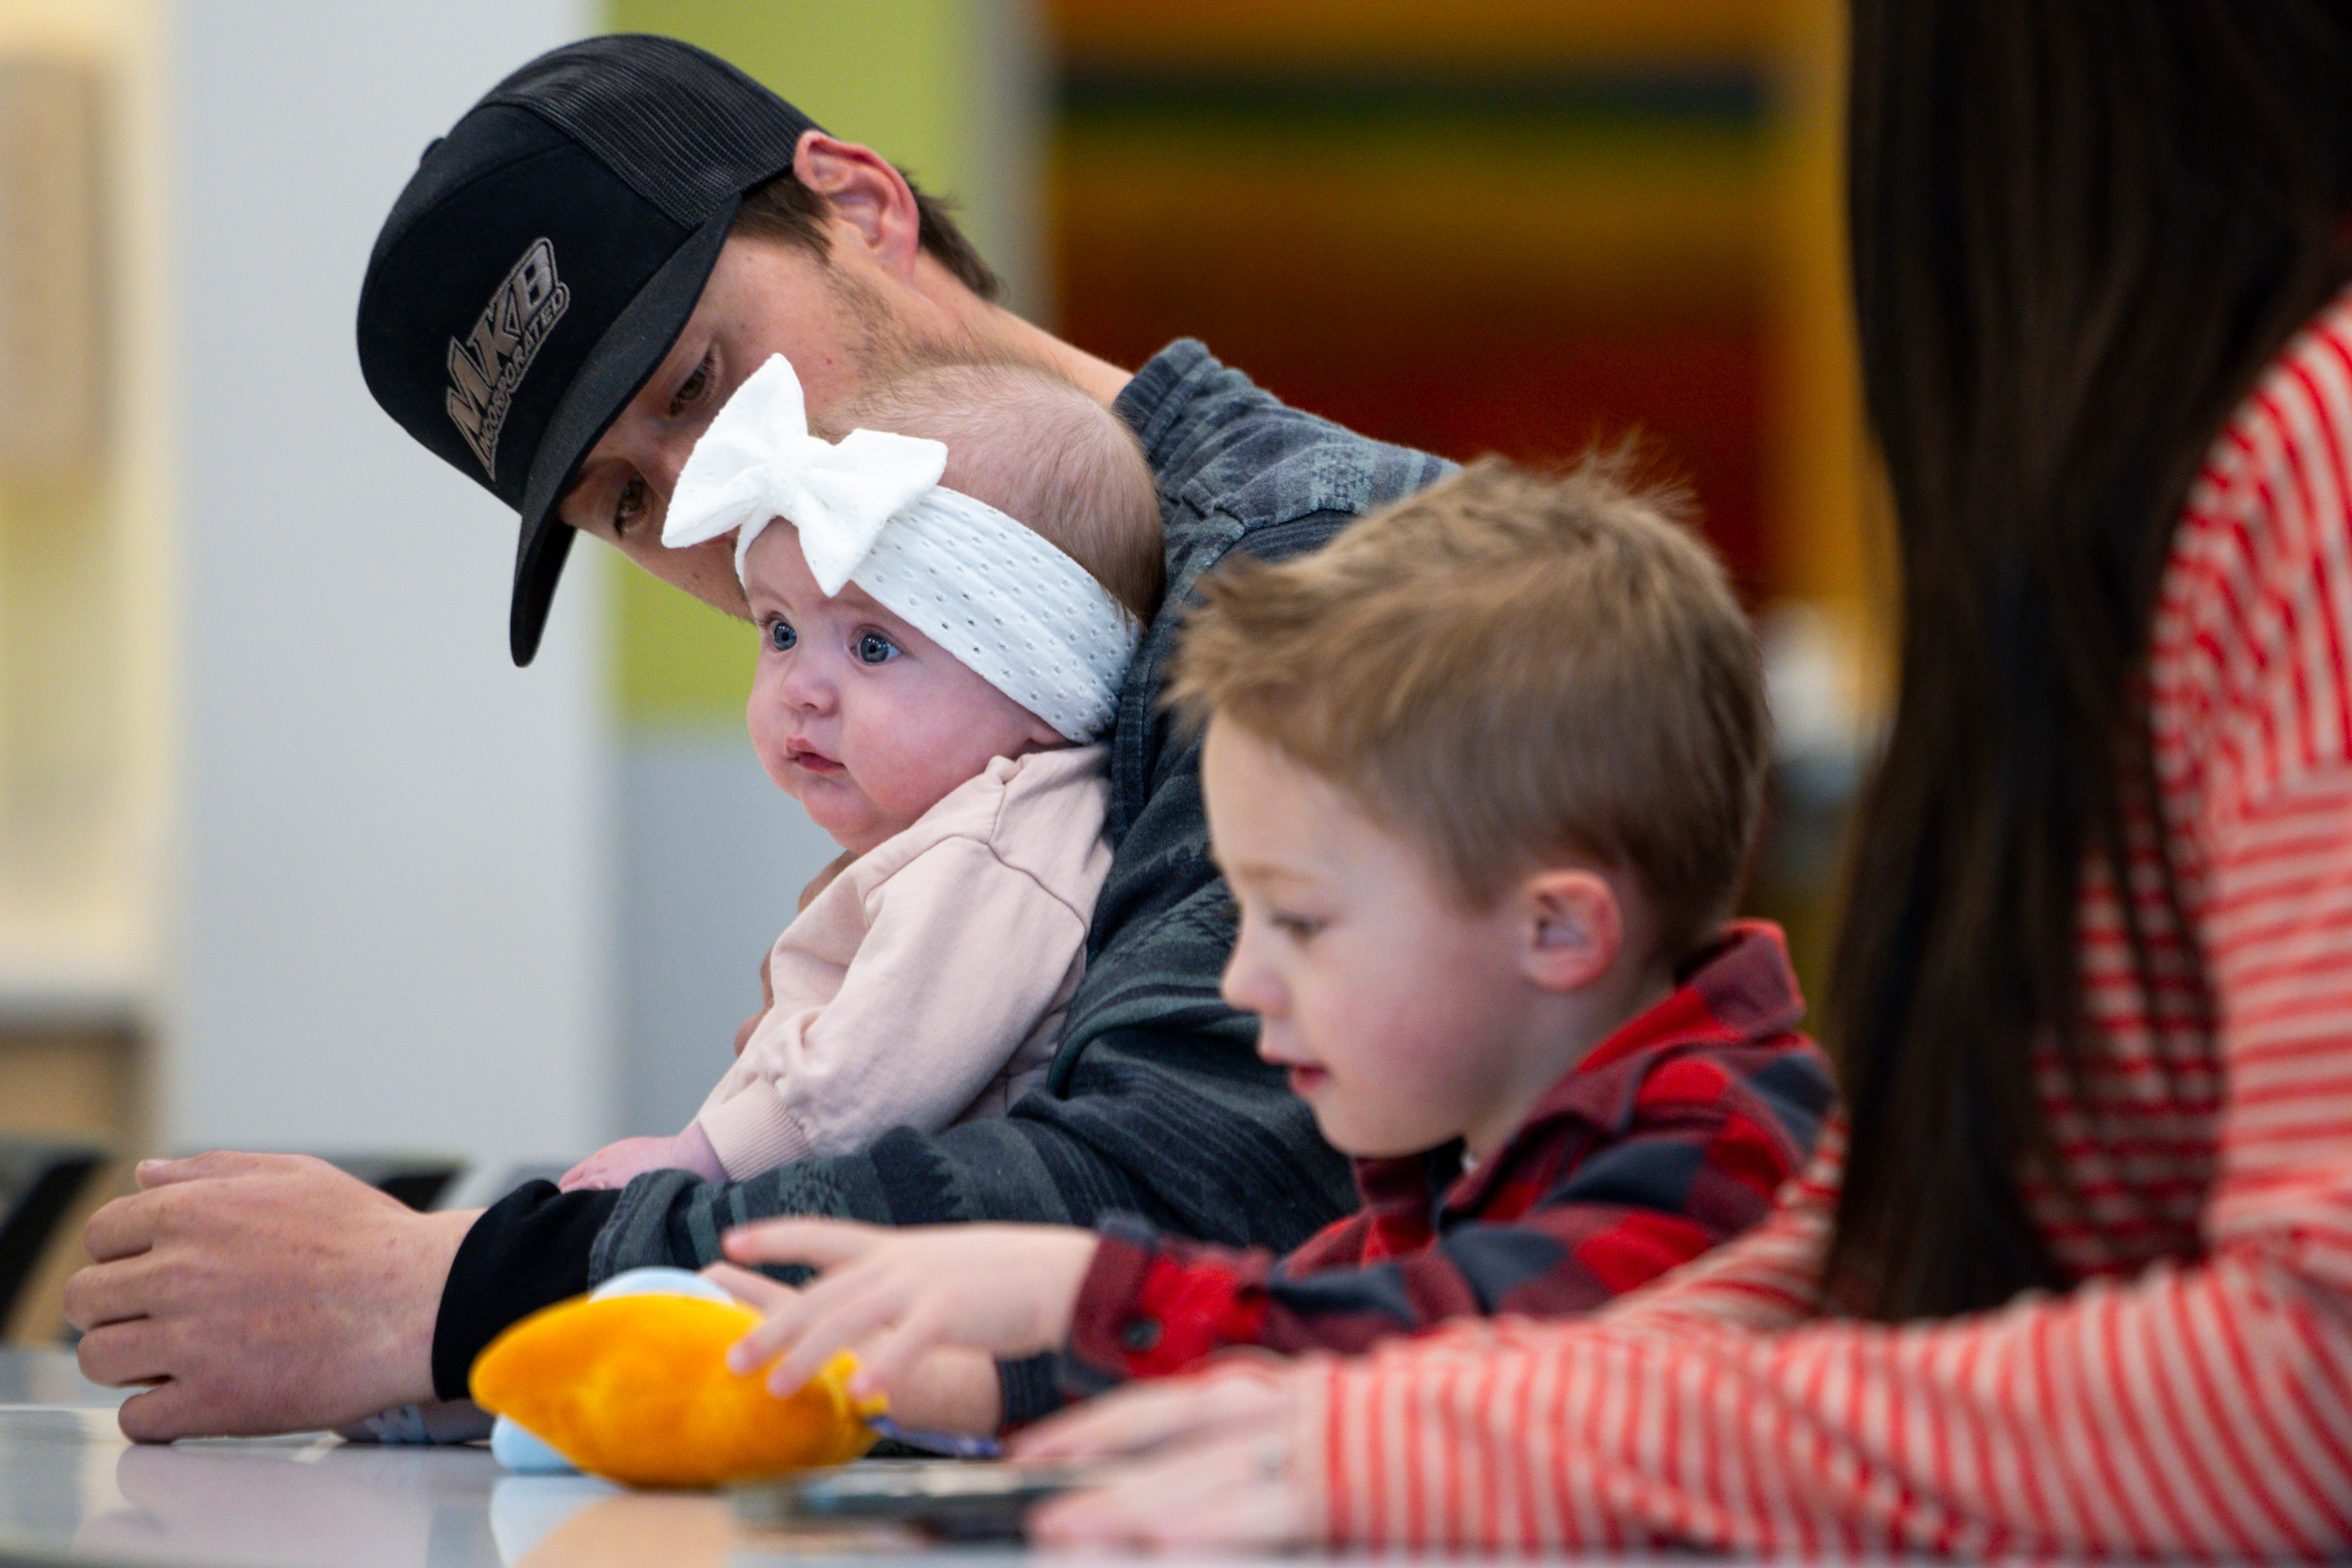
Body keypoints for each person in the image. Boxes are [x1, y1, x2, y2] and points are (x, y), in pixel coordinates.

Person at [1014, 2, 2352, 1556]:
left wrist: (1471, 1435)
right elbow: (1885, 1256)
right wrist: (1383, 1411)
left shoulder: (2312, 449)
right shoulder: (2179, 480)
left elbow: (2315, 1386)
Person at [63, 33, 1453, 1441]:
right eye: (621, 502)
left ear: (862, 206)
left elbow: (1195, 1195)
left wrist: (449, 1293)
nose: (703, 510)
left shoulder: (1331, 580)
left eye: (695, 384)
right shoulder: (933, 726)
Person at [713, 456, 1832, 1427]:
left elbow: (1460, 1359)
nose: (1246, 981)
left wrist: (1083, 1287)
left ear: (1556, 930)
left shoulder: (1726, 1151)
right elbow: (1273, 1347)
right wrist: (928, 1380)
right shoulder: (1454, 1150)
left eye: (1297, 922)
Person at [561, 350, 1161, 1192]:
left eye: (873, 645)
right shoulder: (955, 831)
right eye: (778, 630)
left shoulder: (998, 847)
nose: (799, 688)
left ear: (1043, 685)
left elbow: (877, 1073)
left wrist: (696, 1159)